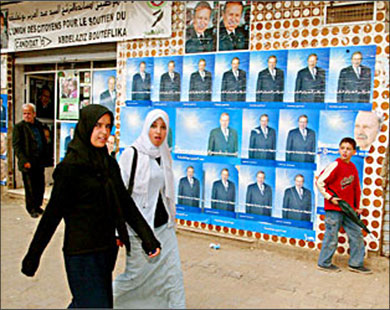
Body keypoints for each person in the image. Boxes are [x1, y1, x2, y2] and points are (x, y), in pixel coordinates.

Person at [21, 105, 161, 308]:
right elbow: (51, 216)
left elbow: (124, 203)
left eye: (108, 126)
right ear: (86, 126)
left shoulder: (109, 163)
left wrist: (148, 238)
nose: (104, 132)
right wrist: (32, 257)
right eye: (98, 126)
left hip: (106, 250)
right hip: (81, 254)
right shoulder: (70, 168)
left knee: (85, 303)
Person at [113, 109, 186, 309]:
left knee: (172, 274)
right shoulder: (131, 154)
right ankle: (101, 300)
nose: (158, 131)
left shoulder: (164, 153)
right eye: (154, 125)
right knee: (135, 278)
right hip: (139, 229)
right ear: (146, 127)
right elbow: (119, 196)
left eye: (163, 127)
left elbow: (165, 191)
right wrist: (117, 230)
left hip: (164, 225)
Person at [316, 137, 372, 274]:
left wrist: (357, 206)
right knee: (331, 236)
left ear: (354, 152)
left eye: (348, 149)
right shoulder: (335, 165)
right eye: (342, 148)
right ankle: (324, 263)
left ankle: (356, 264)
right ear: (339, 150)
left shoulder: (352, 167)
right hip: (334, 209)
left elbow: (355, 189)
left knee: (356, 235)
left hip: (349, 209)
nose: (345, 151)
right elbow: (320, 182)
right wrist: (331, 197)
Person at [12, 103, 49, 218]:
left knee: (40, 185)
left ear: (34, 114)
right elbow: (17, 146)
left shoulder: (38, 125)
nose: (27, 116)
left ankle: (38, 205)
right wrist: (24, 161)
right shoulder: (19, 128)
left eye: (29, 113)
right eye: (24, 113)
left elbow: (43, 140)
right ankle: (31, 208)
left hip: (39, 161)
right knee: (30, 187)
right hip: (28, 162)